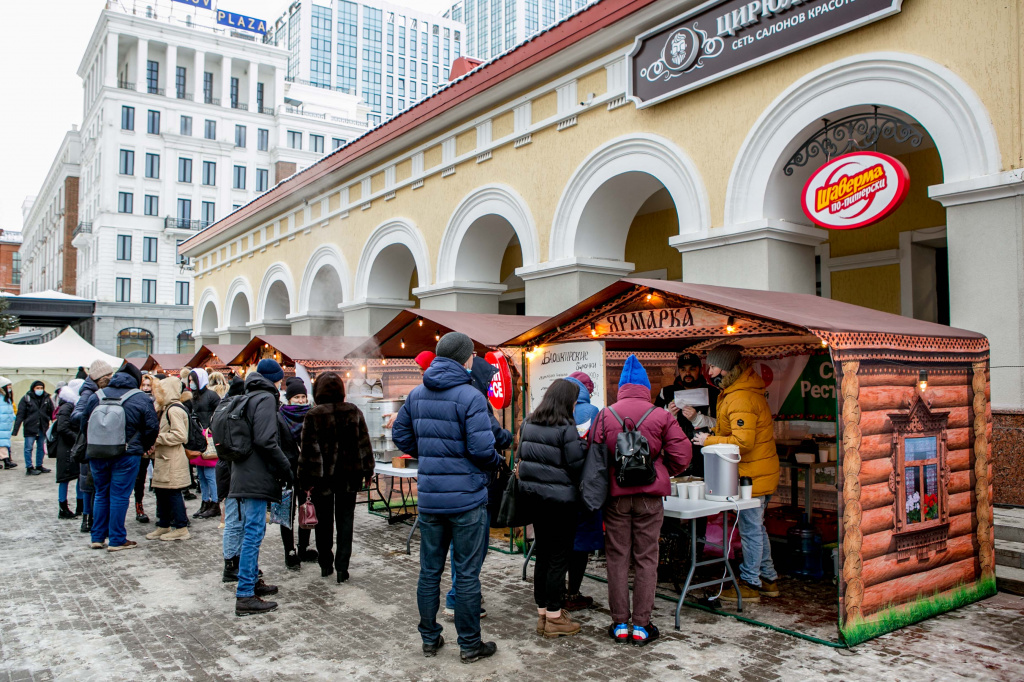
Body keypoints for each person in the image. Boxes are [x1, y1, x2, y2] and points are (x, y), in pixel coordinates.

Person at [392, 332, 502, 664]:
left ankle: (430, 639)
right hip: (467, 499)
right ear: (465, 358)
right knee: (466, 573)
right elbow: (482, 449)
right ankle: (469, 645)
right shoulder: (470, 396)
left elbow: (400, 435)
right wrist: (496, 462)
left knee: (429, 571)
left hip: (431, 500)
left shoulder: (417, 394)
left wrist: (428, 452)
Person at [592, 355, 691, 647]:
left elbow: (594, 456)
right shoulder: (661, 415)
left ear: (621, 388)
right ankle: (642, 626)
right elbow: (683, 455)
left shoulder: (605, 414)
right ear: (646, 388)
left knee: (617, 557)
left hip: (616, 497)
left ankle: (620, 624)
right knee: (647, 558)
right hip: (650, 497)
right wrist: (660, 471)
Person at [696, 345, 780, 604]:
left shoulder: (740, 397)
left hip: (752, 476)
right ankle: (768, 578)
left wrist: (708, 441)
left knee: (751, 530)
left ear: (727, 368)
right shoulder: (736, 392)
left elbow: (743, 442)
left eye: (713, 366)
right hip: (754, 472)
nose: (710, 372)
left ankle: (750, 583)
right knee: (757, 528)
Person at [516, 378, 588, 638]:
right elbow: (576, 465)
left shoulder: (528, 422)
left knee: (543, 556)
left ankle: (543, 615)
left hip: (534, 500)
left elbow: (520, 457)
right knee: (559, 558)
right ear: (568, 401)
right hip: (560, 503)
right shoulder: (566, 427)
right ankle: (556, 618)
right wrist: (583, 444)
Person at [444, 355, 514, 619]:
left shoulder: (450, 395)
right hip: (474, 482)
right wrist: (507, 441)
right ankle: (458, 598)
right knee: (474, 546)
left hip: (448, 483)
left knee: (458, 545)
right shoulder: (476, 399)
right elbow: (491, 438)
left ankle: (461, 593)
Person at [229, 360, 293, 616]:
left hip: (243, 473)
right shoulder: (265, 398)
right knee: (254, 532)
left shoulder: (248, 395)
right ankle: (245, 594)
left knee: (251, 530)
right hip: (256, 475)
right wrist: (285, 467)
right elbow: (265, 440)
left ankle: (252, 580)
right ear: (275, 379)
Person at [298, 372, 375, 582]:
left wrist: (306, 480)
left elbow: (308, 452)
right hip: (349, 475)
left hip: (322, 478)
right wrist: (368, 470)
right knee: (345, 520)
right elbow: (364, 444)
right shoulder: (353, 411)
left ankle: (325, 564)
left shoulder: (313, 415)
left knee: (323, 522)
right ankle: (342, 567)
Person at [79, 363, 159, 551]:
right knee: (119, 495)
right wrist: (143, 446)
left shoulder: (97, 395)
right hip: (127, 453)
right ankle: (116, 539)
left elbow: (84, 423)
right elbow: (152, 427)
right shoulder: (140, 398)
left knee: (101, 493)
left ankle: (97, 537)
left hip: (98, 452)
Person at [562, 371, 603, 611]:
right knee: (580, 544)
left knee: (560, 543)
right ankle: (573, 593)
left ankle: (556, 594)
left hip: (556, 488)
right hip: (583, 487)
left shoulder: (552, 410)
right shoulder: (592, 412)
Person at [145, 377, 192, 541]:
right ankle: (164, 524)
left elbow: (180, 435)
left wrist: (157, 439)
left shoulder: (174, 410)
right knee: (162, 492)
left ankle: (181, 527)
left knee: (173, 492)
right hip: (165, 457)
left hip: (172, 458)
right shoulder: (168, 408)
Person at [73, 359, 115, 534]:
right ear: (101, 377)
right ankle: (88, 519)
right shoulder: (88, 393)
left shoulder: (94, 390)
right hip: (91, 442)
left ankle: (92, 520)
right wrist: (95, 418)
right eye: (109, 375)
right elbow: (76, 415)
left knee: (93, 484)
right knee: (90, 485)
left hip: (96, 441)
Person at [279, 377, 316, 569]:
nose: (301, 400)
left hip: (306, 470)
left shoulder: (311, 415)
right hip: (286, 470)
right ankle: (289, 551)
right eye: (296, 397)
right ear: (289, 399)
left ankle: (303, 547)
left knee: (306, 507)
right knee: (287, 511)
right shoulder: (280, 416)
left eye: (303, 396)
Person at [184, 368, 221, 516]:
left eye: (193, 380)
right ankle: (205, 501)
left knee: (210, 474)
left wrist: (211, 428)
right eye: (189, 380)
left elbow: (219, 413)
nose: (191, 383)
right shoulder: (191, 396)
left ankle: (215, 502)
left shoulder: (212, 395)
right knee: (201, 473)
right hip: (197, 437)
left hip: (209, 437)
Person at [53, 380, 85, 519]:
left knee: (79, 476)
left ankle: (80, 506)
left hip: (73, 446)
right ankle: (63, 508)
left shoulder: (76, 404)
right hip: (66, 447)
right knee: (64, 478)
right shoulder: (67, 406)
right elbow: (62, 428)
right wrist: (78, 439)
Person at [12, 380, 54, 476]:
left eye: (41, 388)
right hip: (30, 427)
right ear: (33, 388)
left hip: (42, 427)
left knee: (41, 448)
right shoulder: (26, 398)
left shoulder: (47, 398)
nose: (40, 390)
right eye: (37, 388)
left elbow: (52, 412)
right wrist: (15, 430)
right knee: (28, 448)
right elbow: (20, 415)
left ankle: (39, 465)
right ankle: (29, 467)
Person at [0, 377, 17, 469]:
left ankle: (6, 461)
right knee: (3, 443)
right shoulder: (3, 398)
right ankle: (6, 461)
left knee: (4, 442)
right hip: (2, 424)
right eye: (8, 386)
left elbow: (11, 410)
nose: (10, 387)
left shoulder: (7, 398)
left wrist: (12, 418)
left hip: (5, 425)